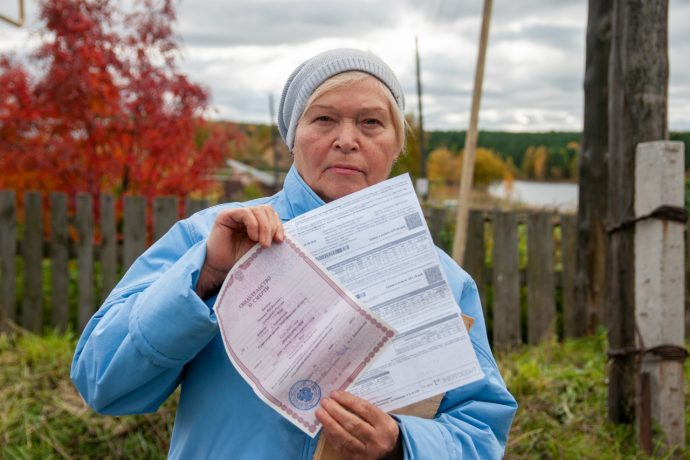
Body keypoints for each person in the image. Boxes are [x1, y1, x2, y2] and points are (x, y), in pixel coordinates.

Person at [71, 48, 517, 459]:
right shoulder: (212, 237)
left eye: (371, 123)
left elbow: (480, 432)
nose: (347, 139)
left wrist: (401, 445)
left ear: (397, 144)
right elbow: (100, 380)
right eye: (323, 119)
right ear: (293, 136)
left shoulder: (442, 279)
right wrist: (205, 274)